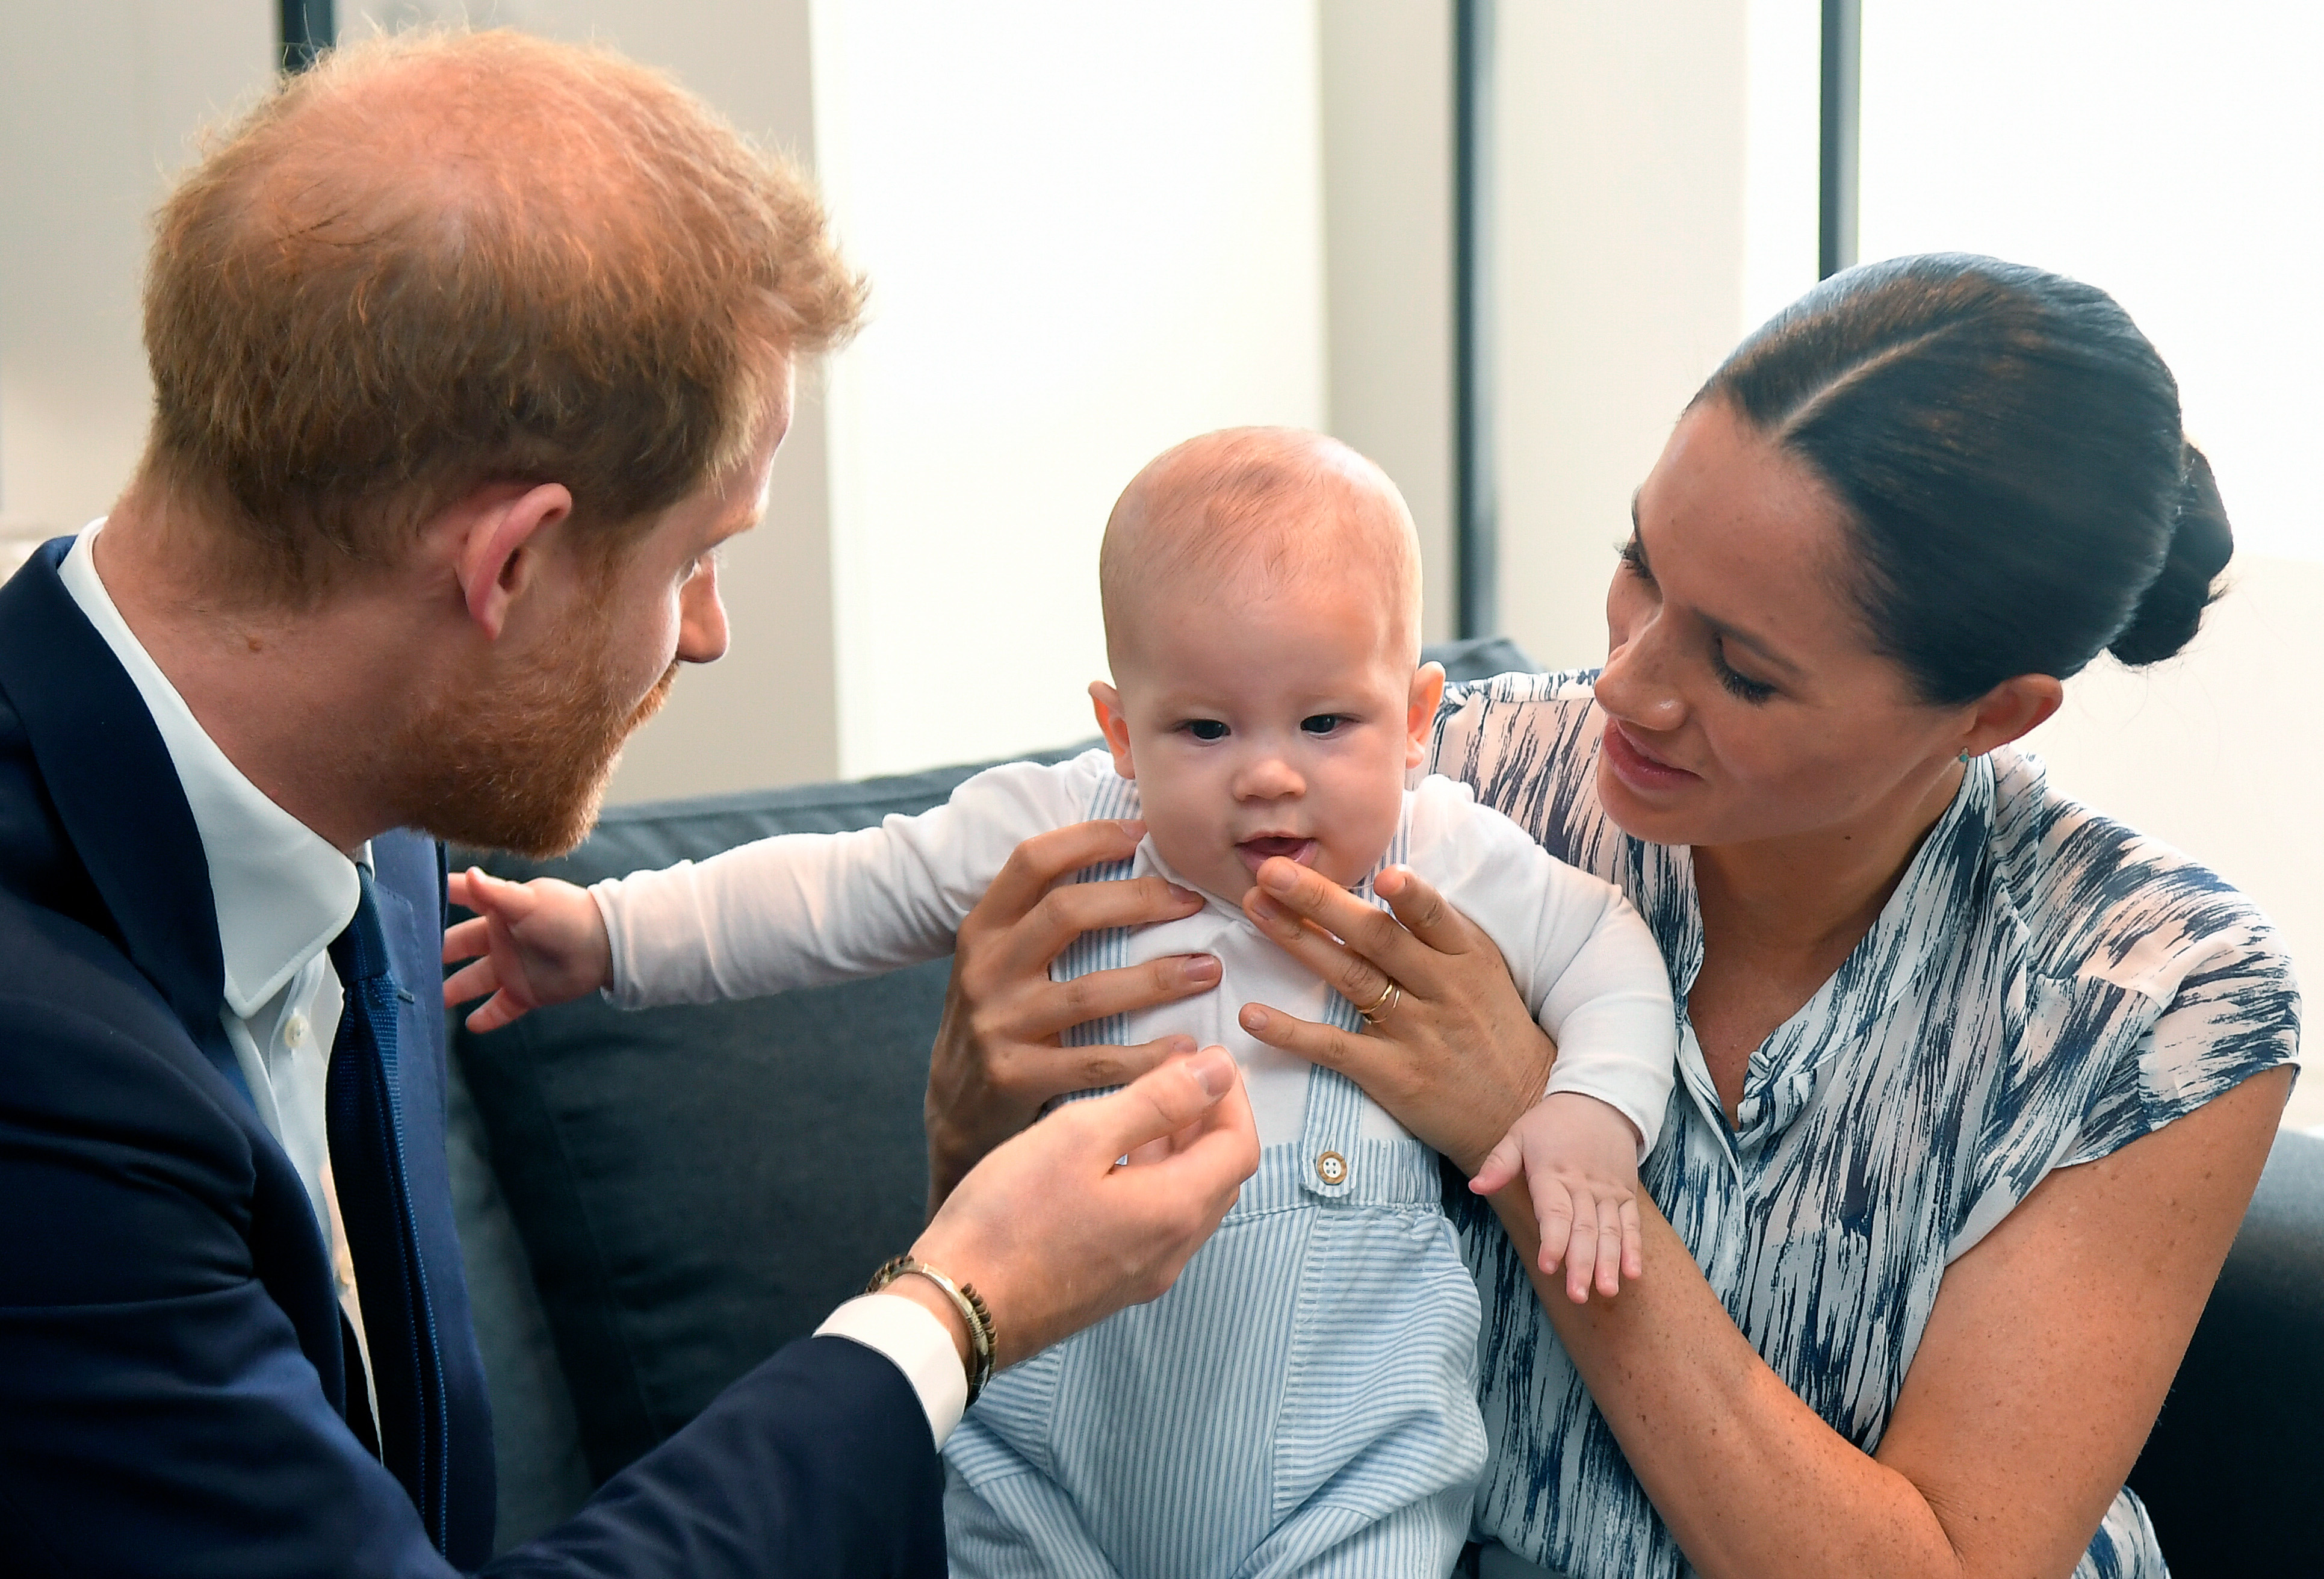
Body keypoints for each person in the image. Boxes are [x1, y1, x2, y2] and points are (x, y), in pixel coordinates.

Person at [0, 29, 1260, 1578]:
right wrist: (956, 1304)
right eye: (697, 558)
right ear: (510, 565)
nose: (710, 632)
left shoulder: (377, 807)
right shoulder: (38, 1066)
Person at [925, 255, 2301, 1579]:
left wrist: (1536, 1139)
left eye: (1742, 671)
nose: (1626, 689)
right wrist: (971, 1111)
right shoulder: (1432, 790)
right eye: (1639, 566)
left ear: (1992, 713)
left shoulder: (2155, 993)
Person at [441, 426, 1679, 1577]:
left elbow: (1605, 953)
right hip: (1053, 1464)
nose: (1265, 774)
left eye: (1323, 721)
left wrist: (1584, 1115)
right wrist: (607, 935)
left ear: (1412, 721)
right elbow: (836, 892)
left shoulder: (1445, 853)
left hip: (1348, 1481)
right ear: (1118, 732)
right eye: (1201, 727)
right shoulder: (1067, 825)